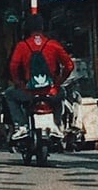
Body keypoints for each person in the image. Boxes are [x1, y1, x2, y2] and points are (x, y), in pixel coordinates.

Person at [5, 12, 77, 141]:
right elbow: (69, 65)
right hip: (51, 91)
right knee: (61, 94)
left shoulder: (22, 46)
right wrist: (58, 82)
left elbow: (13, 67)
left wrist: (19, 83)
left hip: (28, 92)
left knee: (9, 94)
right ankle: (57, 125)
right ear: (43, 27)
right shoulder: (53, 44)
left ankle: (21, 126)